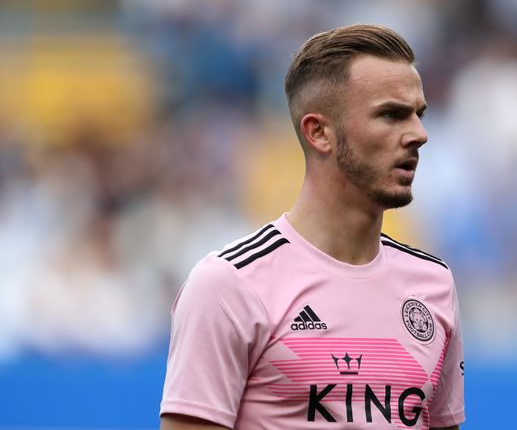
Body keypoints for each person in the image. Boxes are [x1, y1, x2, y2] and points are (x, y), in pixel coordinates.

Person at [159, 24, 465, 430]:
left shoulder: (433, 284)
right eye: (391, 115)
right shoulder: (229, 285)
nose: (419, 135)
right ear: (318, 132)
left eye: (418, 115)